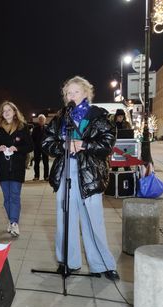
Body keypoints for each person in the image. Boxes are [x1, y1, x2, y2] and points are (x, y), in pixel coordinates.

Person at [42, 76, 119, 281]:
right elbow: (47, 143)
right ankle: (68, 261)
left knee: (93, 220)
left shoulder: (98, 116)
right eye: (68, 93)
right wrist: (64, 146)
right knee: (65, 218)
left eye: (75, 92)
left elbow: (107, 144)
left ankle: (102, 264)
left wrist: (83, 145)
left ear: (86, 93)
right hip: (65, 171)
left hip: (89, 173)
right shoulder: (60, 118)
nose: (71, 96)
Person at [0, 101, 33, 237]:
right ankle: (11, 220)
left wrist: (18, 148)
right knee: (6, 197)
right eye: (4, 110)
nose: (7, 112)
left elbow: (30, 146)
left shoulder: (23, 127)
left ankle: (14, 223)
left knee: (14, 196)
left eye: (9, 110)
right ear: (1, 114)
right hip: (3, 167)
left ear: (15, 112)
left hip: (17, 167)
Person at [32, 114, 49, 180]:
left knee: (46, 163)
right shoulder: (35, 129)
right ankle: (36, 176)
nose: (41, 121)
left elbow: (50, 138)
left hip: (45, 148)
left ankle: (46, 176)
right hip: (37, 148)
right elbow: (32, 138)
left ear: (45, 120)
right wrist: (34, 146)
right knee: (36, 163)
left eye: (42, 119)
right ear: (38, 121)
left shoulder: (48, 128)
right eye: (40, 119)